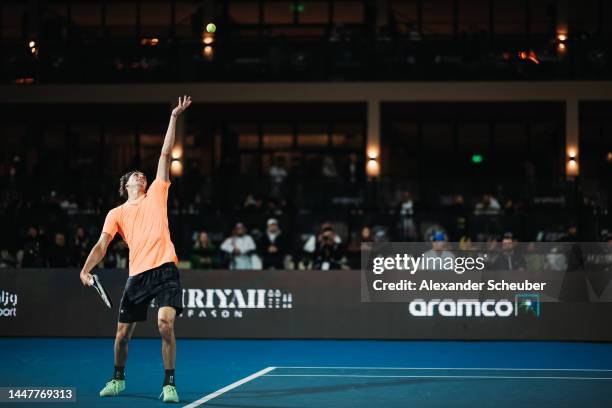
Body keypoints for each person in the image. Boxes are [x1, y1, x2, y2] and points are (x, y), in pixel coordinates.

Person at [78, 95, 192, 403]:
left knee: (165, 324)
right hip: (138, 275)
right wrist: (86, 269)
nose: (141, 176)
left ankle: (169, 383)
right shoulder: (116, 213)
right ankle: (118, 379)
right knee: (121, 336)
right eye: (135, 176)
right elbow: (102, 244)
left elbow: (166, 154)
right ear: (126, 184)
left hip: (165, 268)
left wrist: (173, 117)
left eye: (142, 174)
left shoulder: (157, 192)